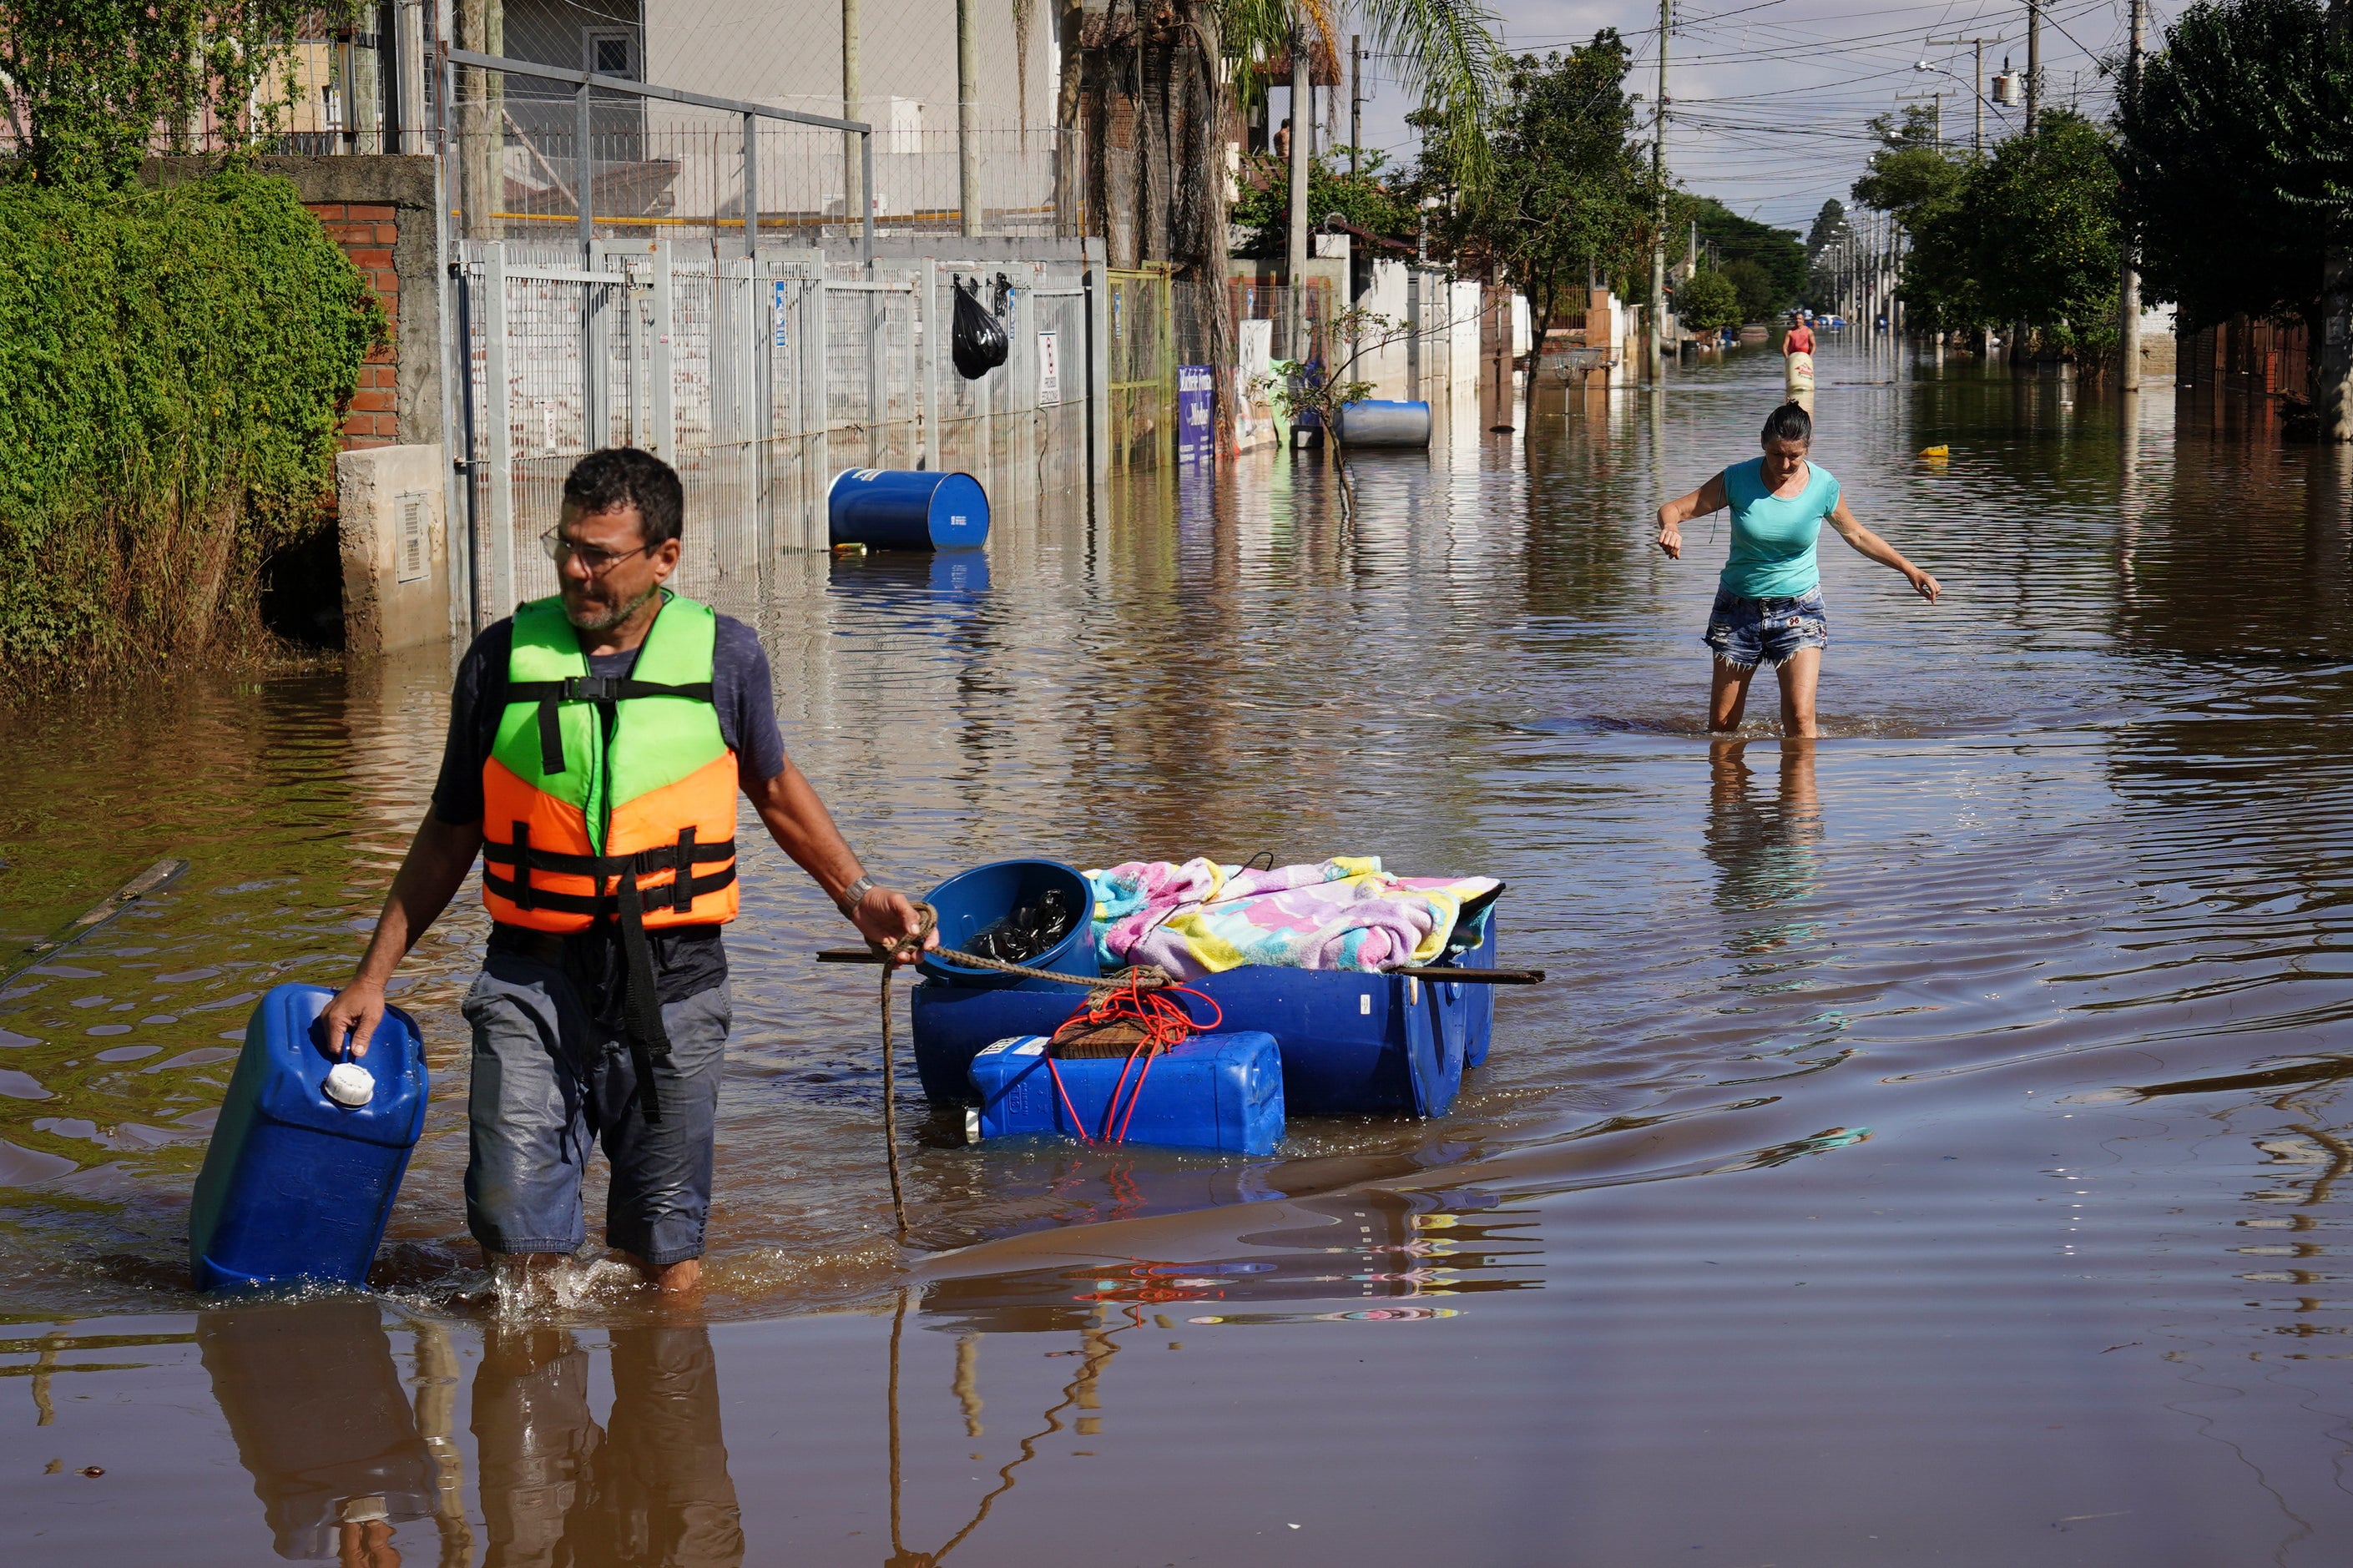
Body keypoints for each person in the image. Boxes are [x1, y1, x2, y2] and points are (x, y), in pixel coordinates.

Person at [323, 448, 932, 1297]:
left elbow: (774, 788)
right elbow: (448, 830)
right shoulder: (499, 662)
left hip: (674, 985)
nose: (575, 569)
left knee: (664, 1260)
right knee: (517, 1250)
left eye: (599, 554)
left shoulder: (727, 658)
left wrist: (857, 895)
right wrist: (372, 976)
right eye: (565, 545)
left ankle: (660, 1411)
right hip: (530, 977)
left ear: (664, 557)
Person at [1655, 403, 1940, 737]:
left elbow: (1857, 535)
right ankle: (1729, 787)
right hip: (1737, 610)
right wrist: (1671, 527)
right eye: (1777, 454)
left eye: (1795, 455)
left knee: (1801, 722)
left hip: (1799, 609)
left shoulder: (1824, 485)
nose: (1785, 465)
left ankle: (1798, 788)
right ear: (1763, 444)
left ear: (1807, 448)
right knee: (1722, 727)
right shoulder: (1736, 479)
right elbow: (1674, 508)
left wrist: (1911, 570)